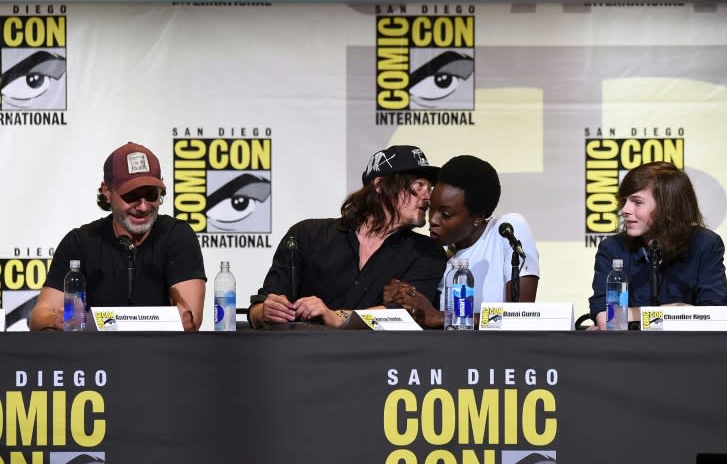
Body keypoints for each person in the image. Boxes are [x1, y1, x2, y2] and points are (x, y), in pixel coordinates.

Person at [248, 145, 447, 328]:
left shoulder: (427, 252)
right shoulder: (306, 235)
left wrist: (335, 316)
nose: (428, 196)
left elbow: (404, 316)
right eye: (419, 185)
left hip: (380, 363)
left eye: (429, 188)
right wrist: (265, 311)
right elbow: (258, 308)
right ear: (380, 185)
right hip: (304, 359)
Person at [29, 142, 206, 331]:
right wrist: (55, 321)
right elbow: (39, 316)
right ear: (107, 192)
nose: (144, 207)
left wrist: (109, 323)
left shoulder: (177, 236)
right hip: (94, 358)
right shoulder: (80, 242)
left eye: (152, 195)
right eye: (131, 196)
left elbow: (189, 320)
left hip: (161, 357)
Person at [384, 155, 540, 328]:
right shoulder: (434, 256)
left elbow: (521, 315)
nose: (433, 220)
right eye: (431, 209)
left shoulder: (506, 230)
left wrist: (441, 317)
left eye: (446, 214)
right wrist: (400, 298)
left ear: (478, 217)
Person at [588, 161, 727, 329]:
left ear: (668, 206)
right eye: (625, 201)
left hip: (690, 350)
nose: (625, 209)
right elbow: (606, 318)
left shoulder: (705, 244)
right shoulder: (612, 248)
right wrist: (663, 312)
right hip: (630, 351)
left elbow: (717, 314)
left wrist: (633, 315)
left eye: (637, 202)